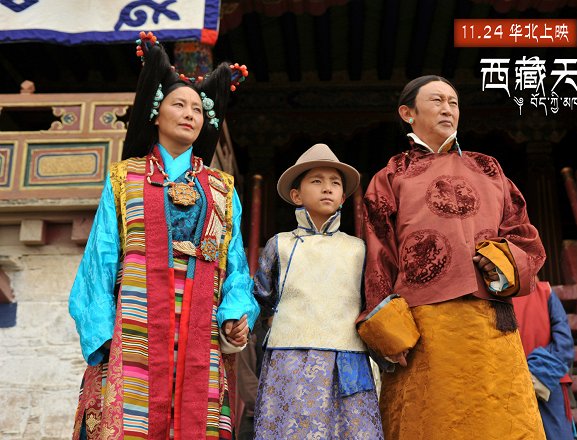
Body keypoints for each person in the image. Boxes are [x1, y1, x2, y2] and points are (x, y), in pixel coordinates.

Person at [68, 32, 259, 439]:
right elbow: (100, 258)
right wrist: (102, 333)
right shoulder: (126, 177)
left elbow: (237, 265)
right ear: (156, 113)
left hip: (200, 323)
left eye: (197, 108)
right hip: (132, 323)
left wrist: (235, 316)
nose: (190, 114)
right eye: (179, 104)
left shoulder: (222, 187)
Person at [358, 75, 547, 439]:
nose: (447, 108)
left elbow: (523, 236)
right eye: (437, 101)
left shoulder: (489, 168)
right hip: (424, 326)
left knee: (501, 422)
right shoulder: (391, 176)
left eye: (453, 102)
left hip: (489, 323)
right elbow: (379, 256)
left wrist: (503, 261)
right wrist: (387, 328)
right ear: (407, 113)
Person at [252, 144, 384, 439]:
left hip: (347, 356)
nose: (327, 188)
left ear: (343, 198)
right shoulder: (280, 244)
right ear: (296, 195)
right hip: (290, 355)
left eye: (335, 183)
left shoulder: (359, 249)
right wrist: (271, 321)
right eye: (317, 181)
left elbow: (373, 300)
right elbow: (261, 295)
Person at [513, 278, 577, 439]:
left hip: (541, 384)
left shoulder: (491, 299)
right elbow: (564, 344)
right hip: (546, 378)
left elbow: (564, 343)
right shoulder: (545, 290)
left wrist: (526, 375)